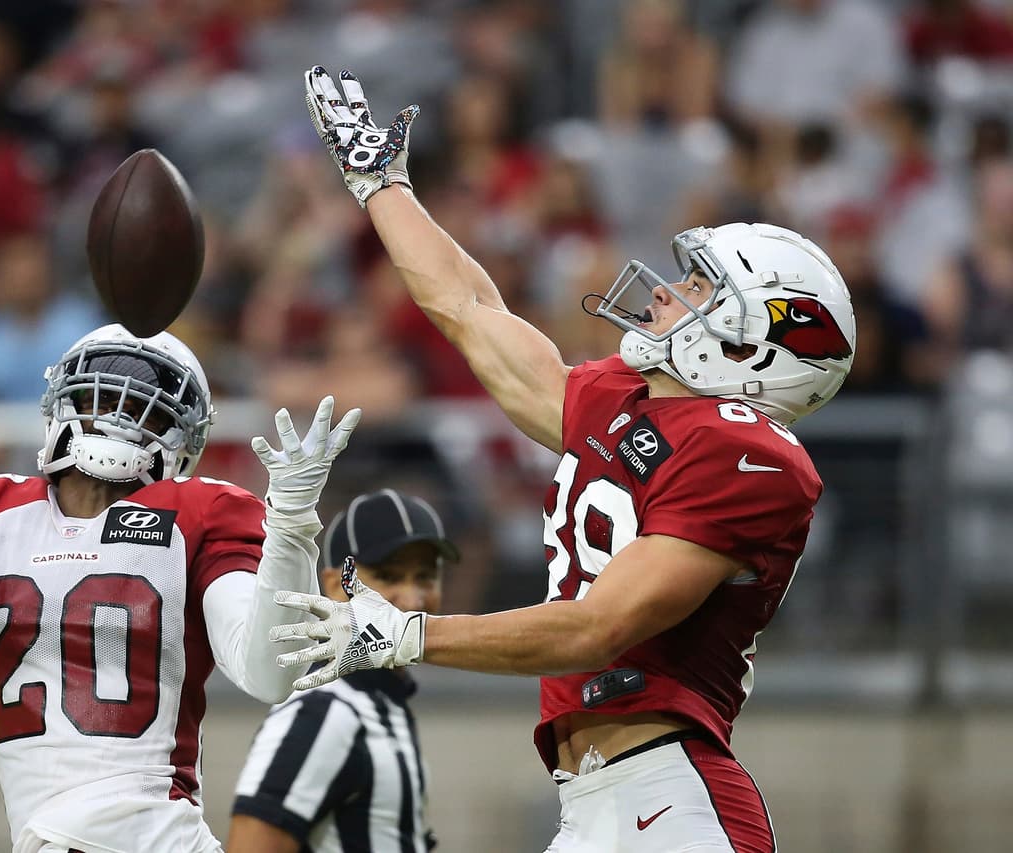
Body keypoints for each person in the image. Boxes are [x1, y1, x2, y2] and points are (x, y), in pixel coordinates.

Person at [271, 67, 859, 853]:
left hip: (673, 799)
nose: (665, 293)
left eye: (699, 287)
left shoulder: (749, 454)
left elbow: (597, 627)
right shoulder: (631, 396)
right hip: (592, 804)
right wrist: (379, 183)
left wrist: (410, 633)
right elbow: (469, 310)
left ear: (754, 344)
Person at [0, 319, 360, 853]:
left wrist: (291, 525)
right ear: (63, 401)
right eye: (101, 394)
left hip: (158, 834)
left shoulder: (200, 513)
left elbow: (267, 672)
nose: (120, 411)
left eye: (145, 406)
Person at [227, 488, 458, 853]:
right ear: (336, 586)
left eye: (425, 577)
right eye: (388, 576)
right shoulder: (325, 711)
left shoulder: (380, 703)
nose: (413, 600)